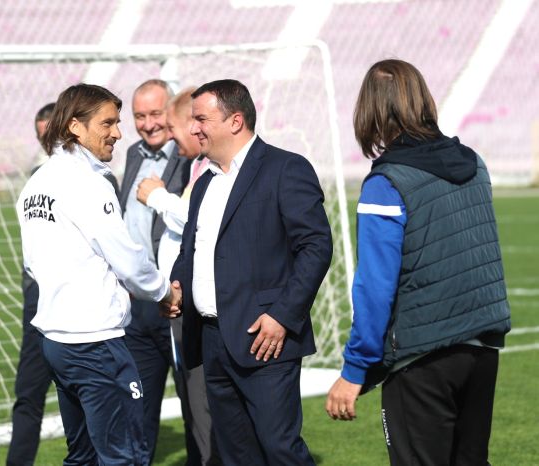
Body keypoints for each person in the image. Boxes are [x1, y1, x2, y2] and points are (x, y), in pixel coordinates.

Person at [325, 59, 511, 466]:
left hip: (422, 358)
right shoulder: (474, 163)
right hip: (481, 348)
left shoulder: (386, 183)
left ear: (371, 110)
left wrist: (355, 370)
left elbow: (375, 287)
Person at [169, 79, 333, 465]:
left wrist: (282, 316)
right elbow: (190, 250)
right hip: (211, 340)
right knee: (236, 455)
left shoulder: (285, 168)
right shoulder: (205, 182)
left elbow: (316, 247)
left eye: (201, 119)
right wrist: (177, 285)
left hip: (265, 338)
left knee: (279, 449)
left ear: (235, 121)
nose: (193, 128)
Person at [16, 83, 181, 466]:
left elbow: (31, 264)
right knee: (124, 457)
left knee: (83, 456)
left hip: (56, 342)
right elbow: (129, 262)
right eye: (108, 123)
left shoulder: (36, 184)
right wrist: (164, 292)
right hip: (96, 343)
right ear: (76, 126)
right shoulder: (89, 183)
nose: (118, 133)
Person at [136, 87, 220, 466]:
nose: (168, 135)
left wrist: (157, 197)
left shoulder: (213, 168)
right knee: (191, 401)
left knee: (204, 403)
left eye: (171, 125)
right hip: (176, 303)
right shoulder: (196, 165)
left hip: (197, 306)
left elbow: (198, 222)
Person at [118, 79, 191, 463]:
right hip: (137, 303)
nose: (148, 124)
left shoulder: (191, 153)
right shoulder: (132, 153)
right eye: (139, 116)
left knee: (195, 402)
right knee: (136, 404)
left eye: (156, 114)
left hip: (176, 300)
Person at [6, 102, 54, 466]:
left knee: (85, 396)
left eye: (51, 133)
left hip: (82, 304)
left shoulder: (97, 178)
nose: (46, 142)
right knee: (28, 392)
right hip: (38, 300)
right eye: (41, 136)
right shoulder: (36, 178)